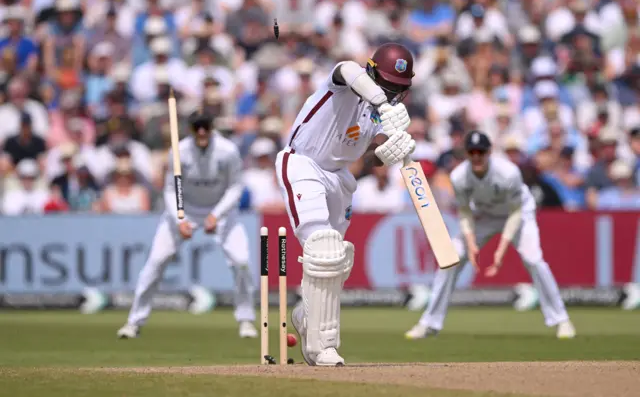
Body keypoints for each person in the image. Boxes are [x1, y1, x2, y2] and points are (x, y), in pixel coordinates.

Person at [276, 43, 418, 366]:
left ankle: (307, 314)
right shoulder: (346, 84)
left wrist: (387, 152)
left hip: (338, 178)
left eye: (398, 89)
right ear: (372, 74)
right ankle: (322, 347)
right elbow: (345, 68)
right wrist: (381, 100)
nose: (392, 93)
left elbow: (367, 154)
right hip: (303, 163)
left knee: (336, 259)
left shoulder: (382, 114)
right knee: (322, 246)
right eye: (387, 85)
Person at [405, 130, 576, 340]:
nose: (477, 156)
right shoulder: (459, 176)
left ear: (489, 152)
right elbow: (465, 212)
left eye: (481, 152)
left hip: (518, 214)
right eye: (472, 152)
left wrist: (500, 250)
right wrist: (470, 243)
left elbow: (515, 212)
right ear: (466, 153)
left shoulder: (508, 172)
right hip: (484, 216)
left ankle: (561, 320)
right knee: (450, 259)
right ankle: (429, 323)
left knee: (534, 260)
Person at [117, 112, 258, 339]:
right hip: (186, 212)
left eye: (205, 126)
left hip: (221, 212)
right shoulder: (179, 152)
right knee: (156, 261)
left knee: (241, 262)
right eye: (196, 127)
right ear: (190, 129)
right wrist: (180, 220)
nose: (201, 132)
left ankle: (246, 320)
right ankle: (134, 322)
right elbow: (171, 191)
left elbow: (235, 188)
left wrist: (216, 215)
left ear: (212, 127)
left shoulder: (228, 151)